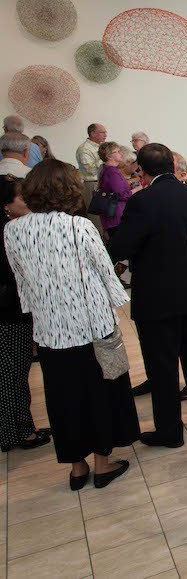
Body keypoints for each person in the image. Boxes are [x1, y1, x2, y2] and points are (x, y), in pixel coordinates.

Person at [4, 160, 138, 489]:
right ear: (68, 189)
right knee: (100, 393)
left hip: (49, 330)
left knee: (63, 398)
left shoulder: (13, 229)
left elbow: (21, 281)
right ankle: (102, 465)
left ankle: (77, 468)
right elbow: (108, 276)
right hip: (91, 326)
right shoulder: (78, 227)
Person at [108, 143, 187, 447]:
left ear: (142, 171)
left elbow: (121, 248)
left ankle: (169, 430)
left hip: (157, 297)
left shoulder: (143, 201)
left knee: (162, 365)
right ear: (172, 164)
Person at [0, 176, 50, 453]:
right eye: (22, 198)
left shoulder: (12, 229)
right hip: (9, 314)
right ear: (7, 205)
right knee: (11, 374)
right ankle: (14, 432)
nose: (28, 202)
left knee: (15, 373)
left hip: (13, 311)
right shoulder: (9, 233)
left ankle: (21, 427)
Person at [96, 142, 132, 237]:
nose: (121, 154)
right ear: (109, 156)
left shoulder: (107, 169)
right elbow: (122, 195)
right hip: (117, 216)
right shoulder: (112, 172)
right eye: (117, 151)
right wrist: (139, 188)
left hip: (114, 216)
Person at [76, 123, 107, 222]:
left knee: (106, 214)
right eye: (102, 132)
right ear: (93, 133)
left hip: (104, 181)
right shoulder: (84, 149)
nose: (105, 134)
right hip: (92, 184)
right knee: (96, 217)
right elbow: (90, 170)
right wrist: (106, 158)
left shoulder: (102, 147)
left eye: (105, 132)